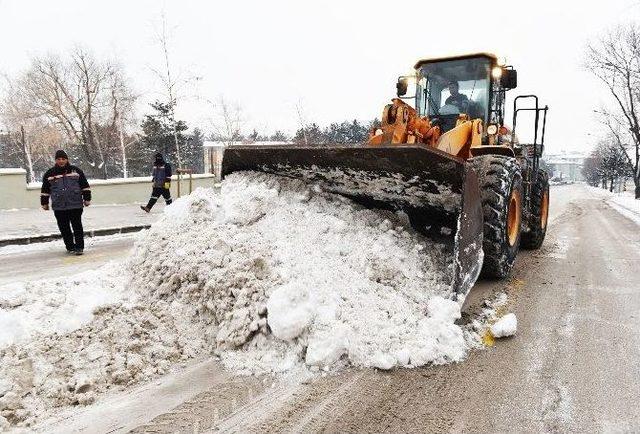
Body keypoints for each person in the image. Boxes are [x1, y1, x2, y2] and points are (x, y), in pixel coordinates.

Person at [40, 150, 91, 255]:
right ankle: (70, 246)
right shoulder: (50, 173)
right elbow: (45, 190)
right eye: (59, 159)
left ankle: (79, 247)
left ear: (67, 159)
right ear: (56, 160)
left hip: (75, 204)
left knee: (77, 226)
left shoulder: (76, 171)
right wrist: (44, 203)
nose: (61, 161)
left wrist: (87, 198)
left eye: (63, 159)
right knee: (64, 228)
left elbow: (84, 185)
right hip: (59, 206)